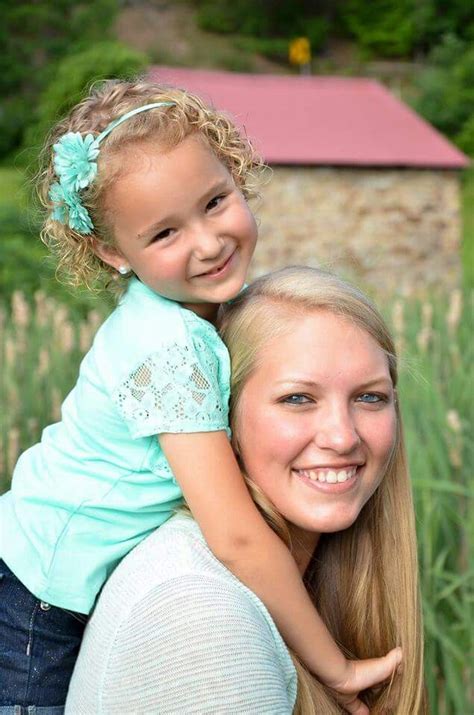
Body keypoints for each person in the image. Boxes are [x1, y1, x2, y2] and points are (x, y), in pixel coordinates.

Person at [0, 82, 398, 714]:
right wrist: (335, 666)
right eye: (164, 234)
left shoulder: (190, 315)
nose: (208, 242)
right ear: (111, 252)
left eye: (215, 202)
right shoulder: (167, 347)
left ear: (237, 175)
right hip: (34, 603)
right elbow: (236, 536)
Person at [65, 266, 426, 715]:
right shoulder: (201, 612)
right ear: (222, 417)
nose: (343, 437)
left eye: (369, 397)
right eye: (297, 398)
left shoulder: (304, 578)